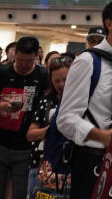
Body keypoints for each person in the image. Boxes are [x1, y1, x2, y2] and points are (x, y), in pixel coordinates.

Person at [57, 0, 112, 199]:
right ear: (109, 23)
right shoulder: (88, 61)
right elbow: (65, 118)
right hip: (92, 162)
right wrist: (103, 136)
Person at [0, 36, 50, 199]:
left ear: (36, 57)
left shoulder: (42, 76)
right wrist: (2, 107)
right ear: (14, 55)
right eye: (20, 60)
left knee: (21, 193)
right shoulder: (2, 73)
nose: (24, 65)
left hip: (26, 147)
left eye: (29, 61)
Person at [26, 58, 70, 197]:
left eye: (65, 79)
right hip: (41, 166)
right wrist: (52, 130)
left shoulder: (81, 102)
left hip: (68, 167)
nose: (61, 84)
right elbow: (30, 134)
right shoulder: (46, 100)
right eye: (56, 81)